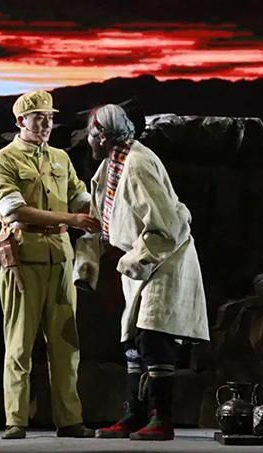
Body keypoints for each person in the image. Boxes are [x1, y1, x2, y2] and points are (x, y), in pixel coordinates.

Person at [74, 104, 209, 441]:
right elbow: (98, 221)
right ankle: (135, 415)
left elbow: (167, 226)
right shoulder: (110, 166)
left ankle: (161, 419)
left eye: (90, 133)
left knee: (154, 337)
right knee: (134, 340)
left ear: (102, 136)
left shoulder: (137, 164)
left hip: (165, 259)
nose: (87, 139)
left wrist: (131, 261)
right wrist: (86, 269)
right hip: (140, 262)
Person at [0, 90, 100, 440]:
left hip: (61, 258)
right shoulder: (2, 160)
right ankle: (16, 419)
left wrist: (106, 206)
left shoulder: (60, 158)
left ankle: (70, 419)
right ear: (21, 120)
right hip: (24, 258)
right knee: (20, 342)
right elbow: (15, 211)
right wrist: (72, 218)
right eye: (39, 117)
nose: (47, 123)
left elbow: (80, 197)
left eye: (50, 117)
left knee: (66, 342)